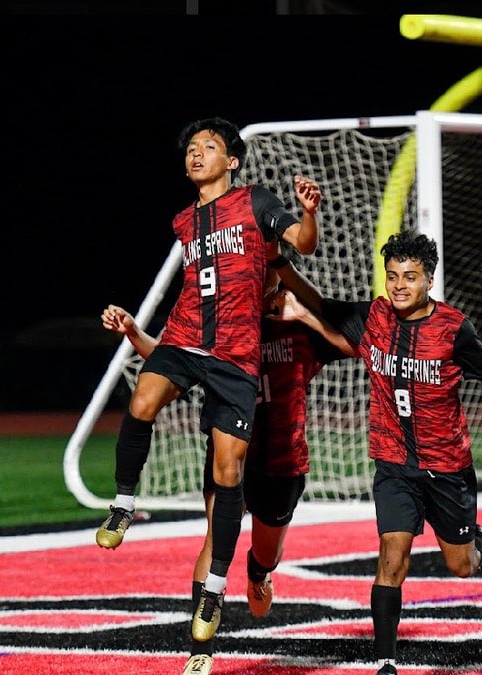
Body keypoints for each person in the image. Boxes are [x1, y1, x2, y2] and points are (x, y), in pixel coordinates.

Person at [95, 117, 322, 647]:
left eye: (210, 147)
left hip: (235, 356)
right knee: (142, 399)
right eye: (191, 148)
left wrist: (308, 212)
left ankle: (216, 588)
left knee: (227, 470)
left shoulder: (256, 202)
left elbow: (302, 244)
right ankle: (124, 503)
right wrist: (136, 330)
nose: (197, 155)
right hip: (184, 337)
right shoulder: (183, 221)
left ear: (233, 160)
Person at [272, 230, 482, 675]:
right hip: (393, 464)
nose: (399, 284)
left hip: (446, 467)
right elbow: (322, 305)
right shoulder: (375, 315)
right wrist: (280, 266)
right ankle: (386, 667)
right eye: (393, 275)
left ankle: (480, 545)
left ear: (429, 281)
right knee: (391, 558)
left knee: (460, 566)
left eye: (410, 277)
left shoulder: (453, 328)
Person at [101, 258, 349, 675]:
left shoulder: (295, 326)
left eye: (264, 270)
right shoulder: (218, 328)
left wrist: (304, 310)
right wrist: (134, 333)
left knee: (266, 554)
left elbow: (351, 343)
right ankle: (200, 651)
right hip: (228, 456)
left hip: (282, 463)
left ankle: (258, 573)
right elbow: (171, 362)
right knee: (214, 540)